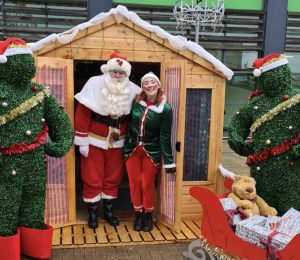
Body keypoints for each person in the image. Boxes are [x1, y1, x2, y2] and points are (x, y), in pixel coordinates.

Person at [0, 38, 73, 260]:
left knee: (33, 204)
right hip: (6, 163)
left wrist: (56, 146)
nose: (26, 65)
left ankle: (33, 248)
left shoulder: (39, 91)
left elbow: (61, 123)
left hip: (35, 163)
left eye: (28, 59)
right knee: (6, 206)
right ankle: (7, 250)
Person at [74, 53, 141, 229]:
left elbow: (139, 115)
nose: (117, 76)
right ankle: (93, 213)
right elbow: (82, 112)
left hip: (118, 142)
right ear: (107, 70)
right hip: (94, 140)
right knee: (92, 176)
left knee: (113, 176)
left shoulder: (133, 89)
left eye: (121, 73)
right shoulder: (94, 83)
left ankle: (109, 212)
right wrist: (81, 140)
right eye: (114, 72)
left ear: (126, 74)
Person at [228, 54, 300, 215]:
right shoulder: (257, 102)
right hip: (261, 171)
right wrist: (239, 143)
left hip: (291, 170)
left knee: (290, 209)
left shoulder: (297, 99)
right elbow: (238, 123)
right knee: (263, 207)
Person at [123, 72, 176, 232]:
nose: (149, 85)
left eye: (152, 82)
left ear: (158, 85)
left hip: (151, 149)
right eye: (146, 83)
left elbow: (165, 135)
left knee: (147, 184)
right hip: (132, 147)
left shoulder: (165, 109)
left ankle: (148, 214)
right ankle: (138, 214)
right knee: (134, 182)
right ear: (142, 87)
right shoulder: (136, 102)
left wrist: (169, 160)